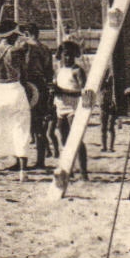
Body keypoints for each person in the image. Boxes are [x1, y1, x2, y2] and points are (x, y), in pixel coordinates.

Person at [0, 19, 34, 180]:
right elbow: (24, 74)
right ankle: (23, 172)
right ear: (11, 35)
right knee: (21, 129)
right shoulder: (17, 51)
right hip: (15, 89)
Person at [15, 23, 55, 169]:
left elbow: (19, 66)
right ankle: (40, 161)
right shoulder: (45, 48)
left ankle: (20, 162)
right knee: (39, 127)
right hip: (41, 86)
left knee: (20, 125)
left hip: (27, 85)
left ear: (26, 33)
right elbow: (49, 72)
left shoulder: (24, 47)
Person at [52, 40, 89, 180]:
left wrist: (62, 91)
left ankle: (84, 172)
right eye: (65, 55)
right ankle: (69, 168)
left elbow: (84, 93)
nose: (67, 58)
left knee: (77, 139)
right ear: (60, 55)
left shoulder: (77, 71)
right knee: (64, 139)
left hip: (74, 107)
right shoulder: (59, 70)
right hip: (60, 107)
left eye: (70, 55)